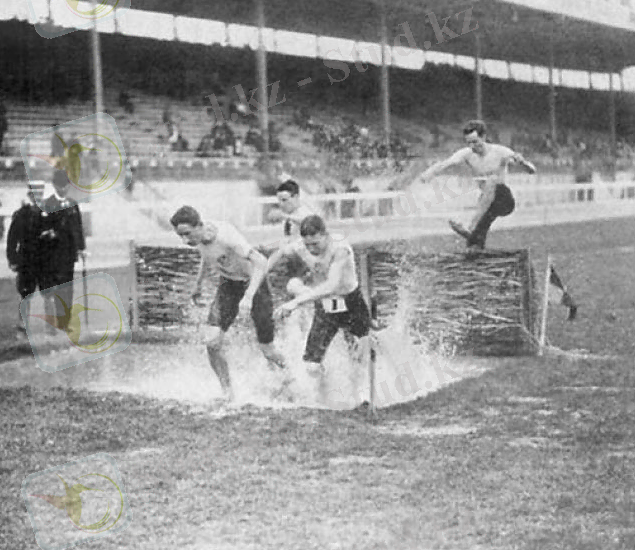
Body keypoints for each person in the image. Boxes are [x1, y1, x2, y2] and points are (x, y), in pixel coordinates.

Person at [170, 206, 286, 401]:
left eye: (187, 234)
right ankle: (228, 393)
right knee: (212, 342)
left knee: (268, 349)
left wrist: (249, 296)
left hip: (255, 284)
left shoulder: (226, 235)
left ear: (199, 225)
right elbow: (205, 256)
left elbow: (261, 262)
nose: (185, 241)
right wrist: (198, 284)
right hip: (229, 286)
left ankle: (294, 376)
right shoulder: (198, 238)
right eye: (180, 236)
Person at [394, 120, 536, 249]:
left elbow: (532, 170)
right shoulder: (467, 154)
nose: (472, 146)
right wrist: (430, 173)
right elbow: (446, 163)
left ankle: (471, 226)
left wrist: (523, 163)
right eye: (468, 142)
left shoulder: (501, 152)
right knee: (476, 238)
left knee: (492, 182)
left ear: (484, 137)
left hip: (504, 200)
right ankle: (474, 248)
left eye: (475, 142)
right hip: (487, 203)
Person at [264, 215, 374, 377]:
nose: (312, 249)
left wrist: (295, 302)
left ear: (326, 235)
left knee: (358, 355)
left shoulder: (340, 248)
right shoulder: (300, 246)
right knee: (312, 367)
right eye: (308, 245)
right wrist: (261, 273)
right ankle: (328, 397)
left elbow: (331, 285)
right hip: (325, 307)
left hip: (351, 302)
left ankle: (362, 391)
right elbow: (280, 252)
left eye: (315, 244)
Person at [40, 173, 87, 337]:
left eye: (66, 185)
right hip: (53, 255)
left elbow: (78, 228)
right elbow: (43, 230)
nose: (64, 188)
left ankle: (65, 322)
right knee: (56, 288)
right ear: (55, 186)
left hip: (69, 254)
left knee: (68, 288)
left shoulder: (73, 205)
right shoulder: (48, 204)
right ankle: (55, 323)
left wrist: (82, 248)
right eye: (61, 186)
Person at [6, 182, 46, 331]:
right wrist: (13, 259)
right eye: (34, 194)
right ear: (30, 195)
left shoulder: (50, 214)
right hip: (27, 261)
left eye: (40, 195)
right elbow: (12, 240)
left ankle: (52, 327)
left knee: (49, 292)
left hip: (45, 260)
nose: (37, 198)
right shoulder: (21, 215)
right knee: (25, 293)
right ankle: (23, 324)